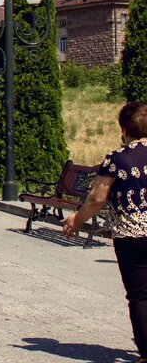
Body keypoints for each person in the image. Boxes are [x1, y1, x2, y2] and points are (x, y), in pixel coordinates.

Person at [65, 101, 147, 363]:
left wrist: (77, 220)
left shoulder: (117, 159)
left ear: (124, 128)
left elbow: (98, 198)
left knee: (140, 293)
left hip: (132, 234)